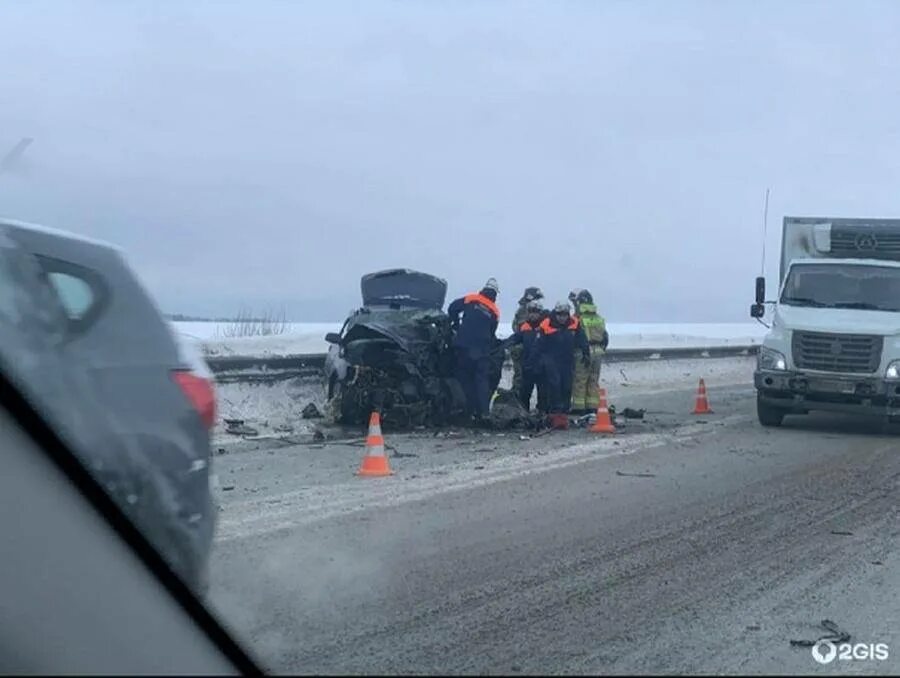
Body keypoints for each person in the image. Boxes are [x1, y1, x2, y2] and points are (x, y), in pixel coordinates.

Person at [447, 278, 501, 425]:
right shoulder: (495, 311)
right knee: (481, 381)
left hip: (463, 346)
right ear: (495, 294)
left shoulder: (472, 298)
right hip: (482, 350)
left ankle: (467, 411)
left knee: (464, 378)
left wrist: (456, 325)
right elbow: (492, 332)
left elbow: (452, 307)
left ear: (483, 289)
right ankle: (483, 413)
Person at [533, 301, 589, 426]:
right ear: (556, 313)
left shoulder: (574, 323)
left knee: (567, 385)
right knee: (554, 384)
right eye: (559, 314)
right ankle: (554, 411)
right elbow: (538, 346)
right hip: (551, 359)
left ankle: (564, 411)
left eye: (564, 314)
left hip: (567, 359)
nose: (562, 317)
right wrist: (537, 361)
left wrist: (586, 352)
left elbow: (582, 338)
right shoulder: (546, 324)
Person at [498, 300, 545, 411]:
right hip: (528, 365)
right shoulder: (525, 327)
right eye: (531, 312)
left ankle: (543, 413)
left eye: (536, 312)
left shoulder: (545, 327)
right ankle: (525, 414)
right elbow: (515, 338)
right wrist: (501, 345)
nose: (533, 314)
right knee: (525, 393)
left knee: (543, 394)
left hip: (542, 366)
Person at [570, 289, 609, 414]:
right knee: (593, 379)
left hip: (584, 352)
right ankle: (592, 406)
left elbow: (573, 336)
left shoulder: (577, 318)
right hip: (598, 352)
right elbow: (605, 337)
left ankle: (579, 408)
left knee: (580, 380)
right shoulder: (598, 318)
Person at [510, 287, 544, 396]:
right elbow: (521, 330)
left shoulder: (526, 309)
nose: (538, 301)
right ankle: (517, 400)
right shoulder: (524, 311)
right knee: (521, 377)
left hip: (529, 350)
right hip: (522, 349)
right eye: (537, 298)